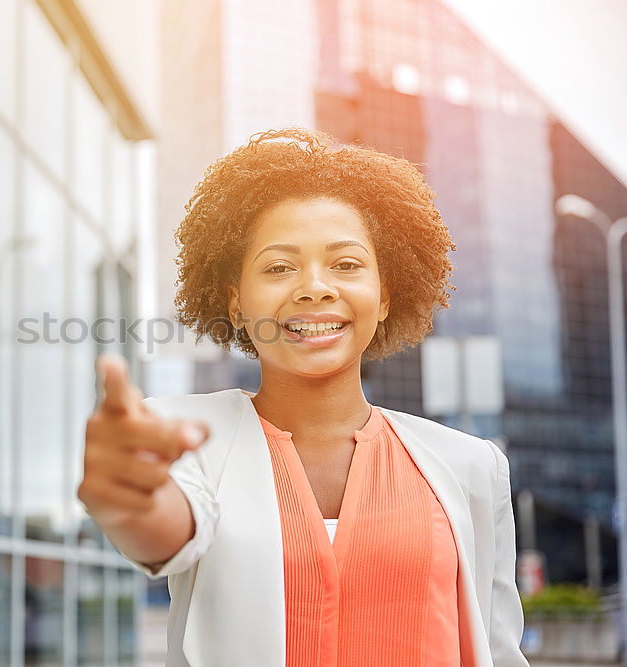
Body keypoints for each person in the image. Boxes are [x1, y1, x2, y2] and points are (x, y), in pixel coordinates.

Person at [77, 127, 528, 666]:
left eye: (346, 264)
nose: (315, 287)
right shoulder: (183, 434)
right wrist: (133, 500)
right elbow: (167, 532)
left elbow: (500, 651)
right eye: (279, 267)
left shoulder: (471, 467)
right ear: (237, 302)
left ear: (384, 296)